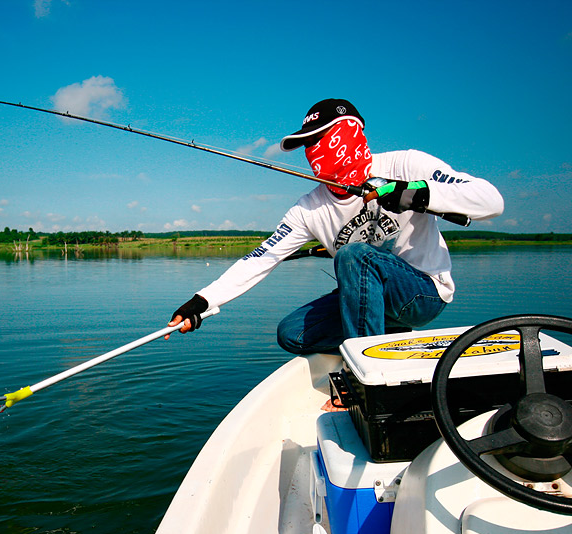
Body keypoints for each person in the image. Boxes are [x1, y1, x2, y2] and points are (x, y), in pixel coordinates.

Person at [167, 98, 504, 354]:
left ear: (348, 133)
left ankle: (367, 377)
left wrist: (416, 194)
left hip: (424, 292)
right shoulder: (308, 208)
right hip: (366, 298)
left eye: (318, 140)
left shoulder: (407, 163)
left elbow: (491, 201)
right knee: (292, 333)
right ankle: (382, 338)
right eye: (306, 145)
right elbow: (260, 258)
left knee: (356, 255)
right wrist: (202, 302)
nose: (312, 152)